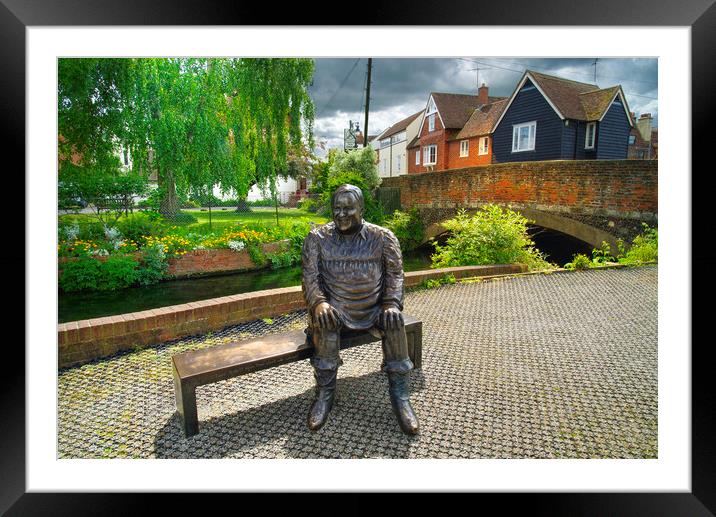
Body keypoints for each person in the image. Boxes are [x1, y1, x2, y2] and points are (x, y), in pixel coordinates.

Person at [301, 184, 419, 435]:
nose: (341, 214)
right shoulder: (317, 239)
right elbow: (310, 278)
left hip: (375, 308)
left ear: (362, 209)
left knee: (394, 322)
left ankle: (401, 398)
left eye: (348, 208)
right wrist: (319, 303)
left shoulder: (383, 237)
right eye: (337, 208)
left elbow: (395, 276)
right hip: (335, 309)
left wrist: (391, 304)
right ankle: (324, 395)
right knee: (325, 323)